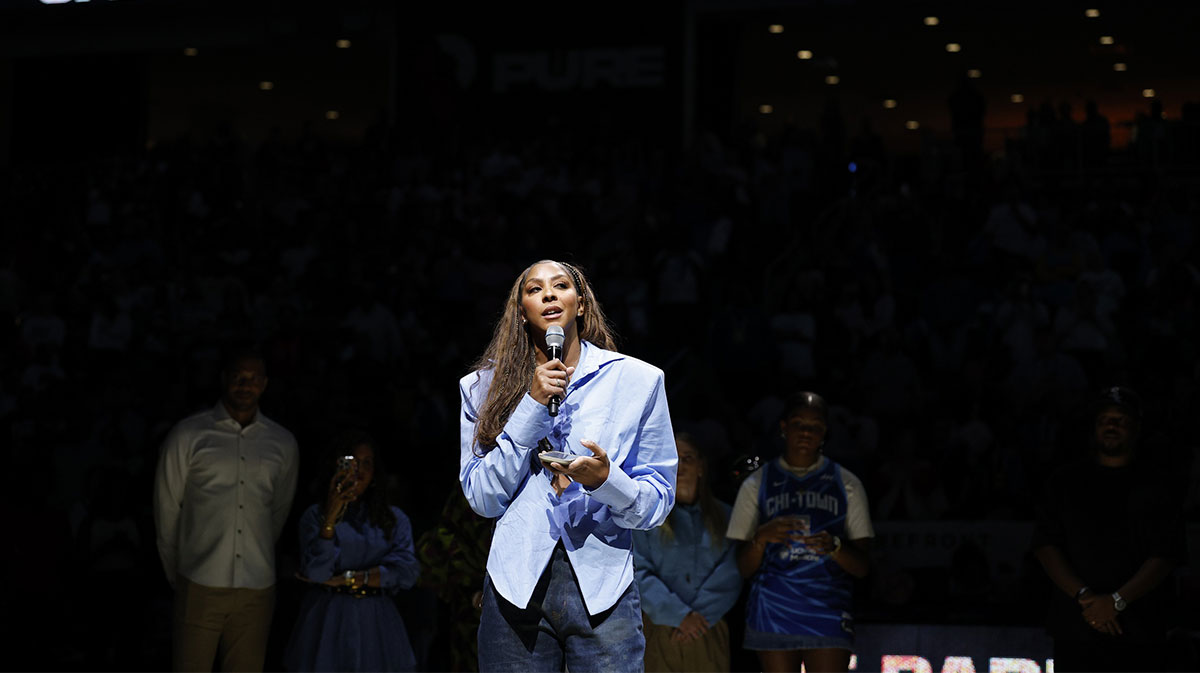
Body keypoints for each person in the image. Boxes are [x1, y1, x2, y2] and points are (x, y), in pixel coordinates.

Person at [458, 259, 677, 672]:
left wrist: (607, 482)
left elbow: (659, 501)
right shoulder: (480, 389)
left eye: (560, 285)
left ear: (580, 305)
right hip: (515, 584)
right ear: (521, 310)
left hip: (603, 585)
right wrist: (531, 408)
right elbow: (482, 498)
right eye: (534, 289)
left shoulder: (637, 381)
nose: (548, 294)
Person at [153, 347, 299, 672]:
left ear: (264, 384)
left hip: (256, 587)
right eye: (238, 378)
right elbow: (167, 509)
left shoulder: (283, 443)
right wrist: (179, 572)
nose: (245, 385)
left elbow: (277, 511)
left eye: (253, 379)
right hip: (199, 580)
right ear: (224, 380)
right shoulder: (188, 435)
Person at [1031, 386, 1185, 672]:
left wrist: (1117, 601)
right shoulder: (1064, 481)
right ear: (1094, 428)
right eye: (1105, 419)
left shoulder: (1158, 485)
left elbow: (1166, 553)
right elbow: (1045, 545)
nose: (1112, 425)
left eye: (1120, 420)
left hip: (1141, 628)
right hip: (1076, 626)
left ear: (1136, 428)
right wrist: (1086, 597)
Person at [726, 391, 873, 673]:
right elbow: (742, 568)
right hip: (772, 610)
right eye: (798, 424)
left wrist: (836, 548)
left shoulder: (847, 483)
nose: (806, 432)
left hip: (828, 609)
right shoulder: (758, 483)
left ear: (825, 432)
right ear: (784, 427)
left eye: (815, 426)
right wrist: (761, 538)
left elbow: (863, 567)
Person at [283, 430, 421, 672]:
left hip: (376, 620)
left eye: (367, 463)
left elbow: (407, 572)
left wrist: (347, 579)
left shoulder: (393, 519)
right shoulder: (314, 516)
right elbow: (316, 573)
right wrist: (330, 518)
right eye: (351, 462)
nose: (359, 470)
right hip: (328, 618)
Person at [633, 431, 741, 672]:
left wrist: (696, 618)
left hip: (706, 628)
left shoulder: (725, 516)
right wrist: (679, 616)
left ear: (701, 467)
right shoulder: (649, 517)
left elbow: (732, 572)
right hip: (659, 628)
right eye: (674, 459)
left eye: (688, 458)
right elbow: (638, 571)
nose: (680, 466)